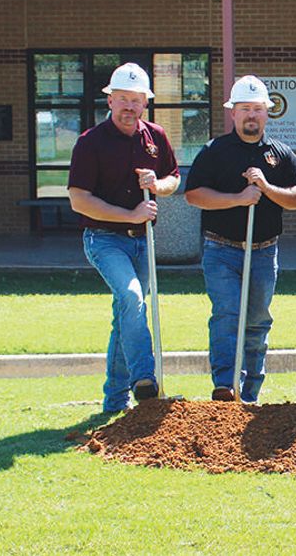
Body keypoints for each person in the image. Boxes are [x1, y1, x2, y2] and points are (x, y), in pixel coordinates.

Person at [185, 75, 296, 403]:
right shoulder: (215, 151)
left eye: (257, 109)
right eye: (245, 109)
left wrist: (268, 189)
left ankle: (250, 392)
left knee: (257, 321)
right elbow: (194, 195)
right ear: (233, 113)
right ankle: (225, 386)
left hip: (264, 252)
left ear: (267, 113)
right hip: (221, 249)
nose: (251, 115)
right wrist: (238, 199)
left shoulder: (280, 154)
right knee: (227, 314)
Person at [67, 62, 180, 412]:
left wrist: (156, 185)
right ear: (110, 101)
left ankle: (114, 401)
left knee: (125, 314)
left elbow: (173, 179)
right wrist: (130, 214)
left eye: (136, 100)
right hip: (103, 239)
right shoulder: (91, 143)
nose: (130, 107)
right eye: (123, 99)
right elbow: (79, 200)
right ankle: (144, 380)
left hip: (141, 240)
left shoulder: (155, 137)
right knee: (133, 299)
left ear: (145, 103)